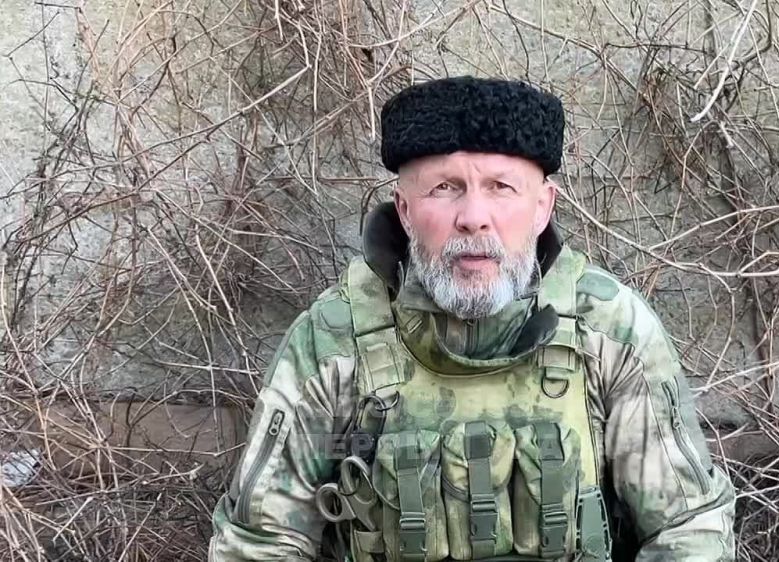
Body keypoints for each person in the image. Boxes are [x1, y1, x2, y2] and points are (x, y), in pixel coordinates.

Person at [208, 76, 736, 561]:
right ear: (405, 209)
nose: (474, 218)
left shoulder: (608, 331)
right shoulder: (334, 342)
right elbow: (259, 543)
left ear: (542, 207)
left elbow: (689, 528)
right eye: (445, 187)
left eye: (501, 187)